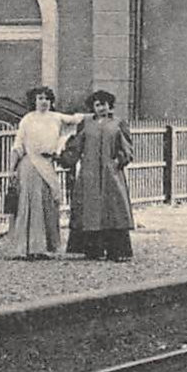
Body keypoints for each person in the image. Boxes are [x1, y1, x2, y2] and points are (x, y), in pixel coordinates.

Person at [2, 86, 85, 260]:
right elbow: (18, 144)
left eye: (47, 98)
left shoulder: (56, 117)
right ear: (34, 100)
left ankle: (43, 247)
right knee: (31, 203)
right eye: (40, 98)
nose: (44, 102)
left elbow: (77, 119)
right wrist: (12, 169)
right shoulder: (27, 119)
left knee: (48, 202)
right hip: (30, 163)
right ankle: (27, 247)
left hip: (48, 163)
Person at [65, 89, 136, 262]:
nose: (101, 108)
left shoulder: (118, 123)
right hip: (89, 174)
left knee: (113, 209)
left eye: (104, 104)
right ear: (93, 107)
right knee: (90, 210)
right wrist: (67, 158)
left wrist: (119, 161)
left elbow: (126, 147)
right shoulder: (86, 124)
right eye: (97, 105)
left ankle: (116, 251)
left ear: (109, 105)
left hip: (111, 173)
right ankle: (92, 250)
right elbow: (76, 145)